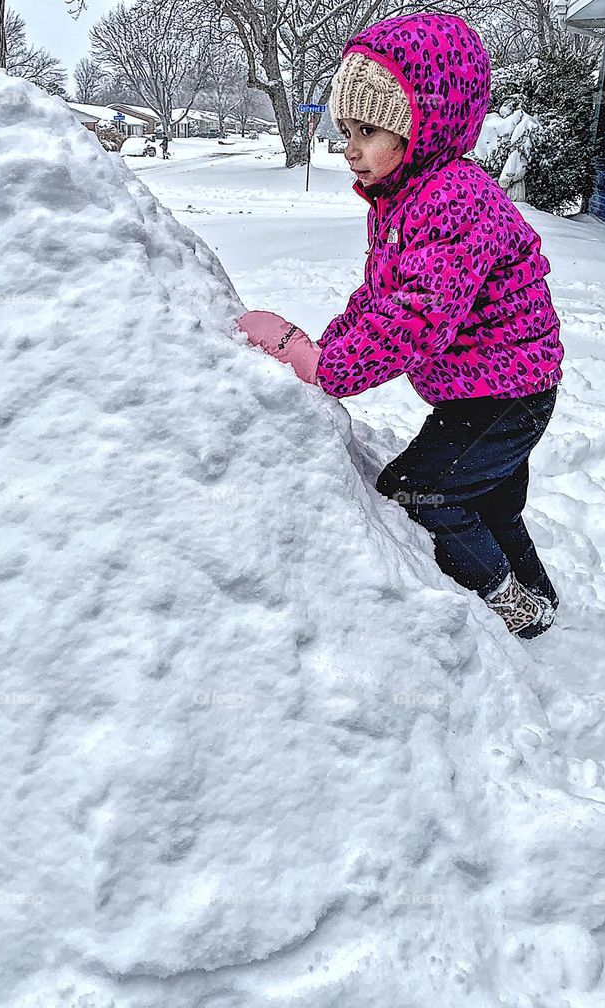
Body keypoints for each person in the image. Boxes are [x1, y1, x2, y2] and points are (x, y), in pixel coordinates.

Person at [237, 12, 563, 640]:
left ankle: (512, 606)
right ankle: (540, 604)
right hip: (491, 385)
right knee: (490, 500)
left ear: (428, 124)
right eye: (346, 130)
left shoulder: (454, 201)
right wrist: (331, 346)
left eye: (371, 130)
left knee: (423, 491)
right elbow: (382, 293)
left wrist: (330, 368)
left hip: (505, 393)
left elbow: (417, 315)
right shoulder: (406, 195)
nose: (351, 149)